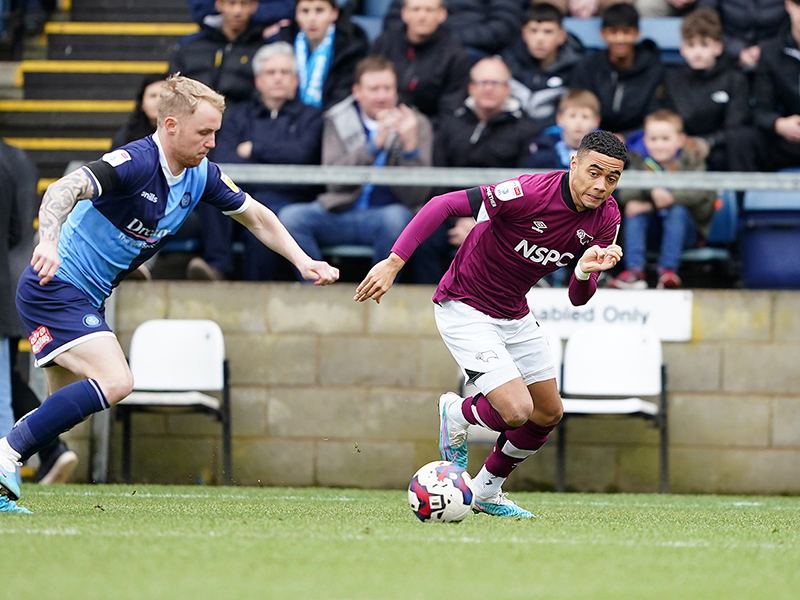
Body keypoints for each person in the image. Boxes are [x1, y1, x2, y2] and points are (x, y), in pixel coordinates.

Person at [0, 75, 339, 504]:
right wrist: (47, 240)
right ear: (172, 125)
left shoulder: (200, 176)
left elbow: (256, 216)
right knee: (116, 380)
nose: (212, 142)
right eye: (204, 132)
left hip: (84, 297)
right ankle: (6, 453)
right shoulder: (136, 162)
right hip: (55, 285)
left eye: (216, 132)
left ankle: (4, 470)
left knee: (59, 409)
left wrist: (302, 260)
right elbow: (64, 189)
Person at [353, 130, 626, 517]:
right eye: (594, 172)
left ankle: (484, 490)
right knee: (516, 411)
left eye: (612, 178)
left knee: (547, 413)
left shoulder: (607, 218)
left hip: (514, 312)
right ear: (574, 164)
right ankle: (456, 413)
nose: (601, 186)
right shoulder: (528, 192)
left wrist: (583, 271)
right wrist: (394, 262)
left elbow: (578, 298)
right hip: (464, 305)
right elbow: (442, 204)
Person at [279, 55, 433, 276]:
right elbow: (334, 182)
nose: (382, 96)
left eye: (388, 88)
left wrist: (410, 148)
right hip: (339, 212)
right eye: (374, 89)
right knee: (291, 218)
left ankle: (379, 295)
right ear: (357, 91)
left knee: (398, 219)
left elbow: (416, 197)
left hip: (386, 215)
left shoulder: (416, 123)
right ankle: (317, 295)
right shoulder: (338, 119)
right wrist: (373, 146)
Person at [189, 41, 324, 281]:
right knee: (212, 198)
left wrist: (254, 149)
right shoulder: (239, 115)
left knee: (260, 224)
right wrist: (273, 158)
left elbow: (302, 154)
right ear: (258, 81)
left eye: (285, 72)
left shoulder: (311, 117)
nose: (278, 78)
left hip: (290, 196)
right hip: (245, 191)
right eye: (271, 73)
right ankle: (216, 269)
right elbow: (223, 157)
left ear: (296, 80)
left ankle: (257, 290)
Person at [610, 110, 716, 289]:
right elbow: (625, 193)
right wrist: (652, 193)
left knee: (677, 210)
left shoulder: (693, 160)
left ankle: (668, 273)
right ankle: (634, 272)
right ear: (645, 140)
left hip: (686, 233)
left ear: (680, 140)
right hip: (652, 230)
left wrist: (669, 198)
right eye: (653, 139)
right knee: (634, 208)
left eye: (665, 139)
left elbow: (702, 194)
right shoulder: (639, 161)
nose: (659, 145)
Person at [662, 7, 751, 172]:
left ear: (718, 47)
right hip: (679, 148)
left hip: (721, 151)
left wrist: (708, 143)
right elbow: (667, 117)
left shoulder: (735, 79)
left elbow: (735, 127)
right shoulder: (672, 79)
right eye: (691, 45)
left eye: (704, 44)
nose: (697, 52)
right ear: (682, 49)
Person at [571, 2, 665, 138]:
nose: (620, 39)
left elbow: (656, 114)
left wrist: (626, 137)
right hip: (592, 138)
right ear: (602, 34)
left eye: (627, 32)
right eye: (613, 32)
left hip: (640, 140)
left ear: (637, 33)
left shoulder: (654, 69)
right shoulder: (588, 67)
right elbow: (578, 108)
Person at [371, 0, 471, 123]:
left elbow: (450, 110)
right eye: (416, 9)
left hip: (428, 131)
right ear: (404, 13)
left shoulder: (454, 55)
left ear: (442, 14)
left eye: (429, 10)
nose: (422, 16)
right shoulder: (385, 43)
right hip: (379, 122)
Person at [729, 0, 800, 172]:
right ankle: (741, 198)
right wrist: (778, 124)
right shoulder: (770, 51)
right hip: (788, 136)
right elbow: (762, 109)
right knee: (741, 139)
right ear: (788, 5)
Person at [0, 140, 32, 513]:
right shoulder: (12, 160)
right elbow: (16, 233)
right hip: (3, 288)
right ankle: (7, 487)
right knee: (2, 400)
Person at [501, 3, 584, 134]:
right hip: (508, 134)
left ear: (562, 36)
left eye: (548, 32)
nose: (540, 38)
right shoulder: (506, 63)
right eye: (533, 31)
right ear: (524, 33)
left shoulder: (577, 69)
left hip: (553, 137)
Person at [168, 0, 265, 108]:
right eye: (231, 3)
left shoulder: (264, 51)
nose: (237, 11)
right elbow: (172, 88)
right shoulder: (189, 48)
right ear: (219, 5)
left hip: (242, 121)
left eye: (244, 4)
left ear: (254, 6)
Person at [276, 0, 369, 110]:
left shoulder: (351, 48)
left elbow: (343, 96)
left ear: (334, 14)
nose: (312, 18)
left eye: (319, 10)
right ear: (296, 15)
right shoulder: (282, 44)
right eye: (305, 11)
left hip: (333, 119)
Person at [382, 0, 523, 58]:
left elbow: (504, 25)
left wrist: (446, 40)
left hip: (471, 50)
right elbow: (394, 20)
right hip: (418, 48)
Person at [525, 89, 602, 170]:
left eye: (585, 117)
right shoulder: (543, 153)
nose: (578, 122)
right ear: (560, 119)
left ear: (596, 121)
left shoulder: (605, 156)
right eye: (572, 116)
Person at [697, 0, 788, 69]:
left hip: (777, 57)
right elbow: (705, 21)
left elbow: (792, 24)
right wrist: (737, 49)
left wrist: (765, 49)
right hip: (726, 57)